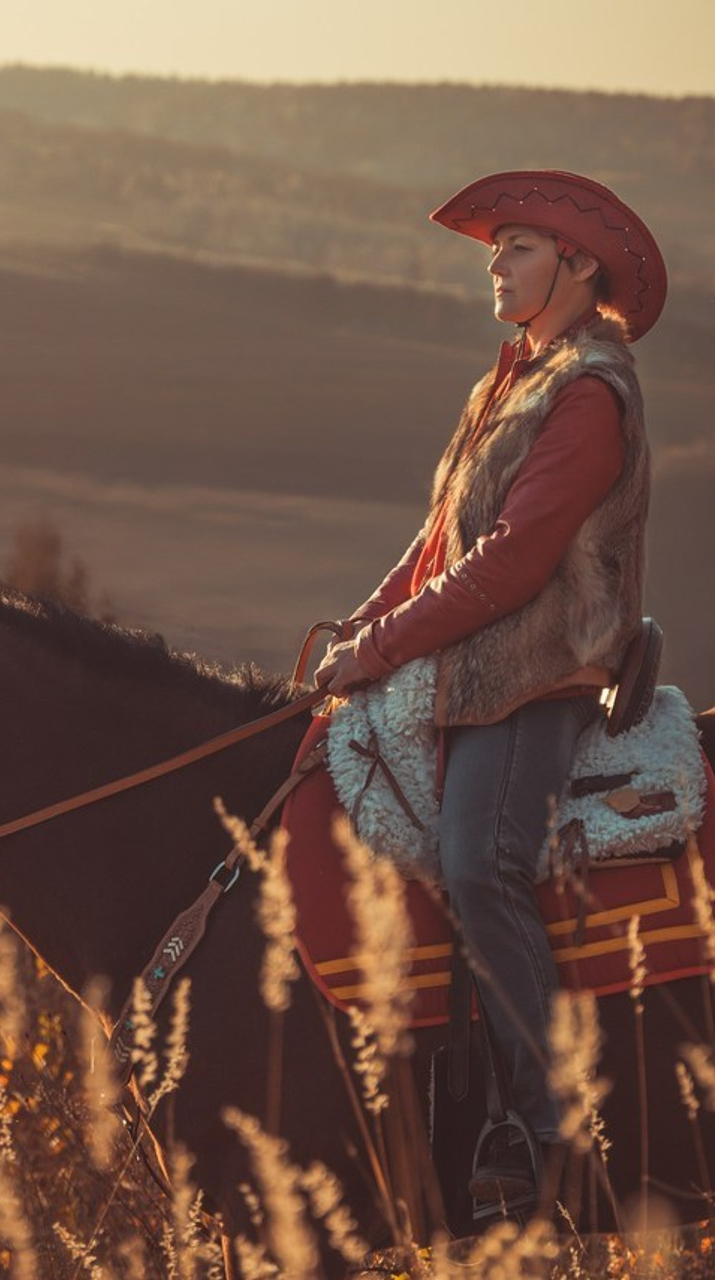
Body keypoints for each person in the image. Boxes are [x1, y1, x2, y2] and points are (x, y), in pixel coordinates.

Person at [313, 171, 666, 1202]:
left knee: (478, 864)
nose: (492, 264)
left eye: (515, 246)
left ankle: (553, 1129)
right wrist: (363, 631)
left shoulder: (589, 389)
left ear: (577, 263)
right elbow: (436, 547)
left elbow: (514, 563)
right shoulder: (506, 381)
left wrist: (380, 653)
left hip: (534, 680)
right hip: (463, 675)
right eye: (497, 246)